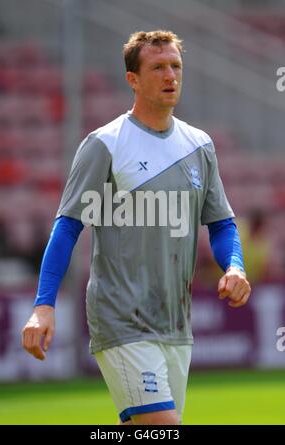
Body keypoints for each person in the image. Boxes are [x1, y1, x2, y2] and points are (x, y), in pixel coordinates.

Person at [22, 30, 251, 425]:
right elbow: (68, 227)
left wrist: (235, 265)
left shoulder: (199, 146)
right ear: (132, 79)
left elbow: (221, 223)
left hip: (176, 324)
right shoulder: (105, 144)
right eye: (158, 67)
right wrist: (43, 305)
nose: (170, 76)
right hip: (122, 318)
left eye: (176, 66)